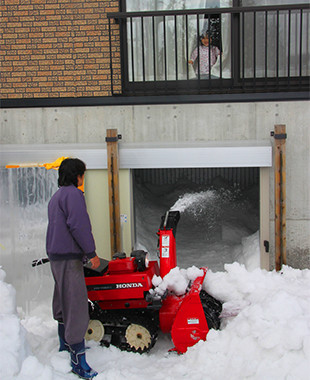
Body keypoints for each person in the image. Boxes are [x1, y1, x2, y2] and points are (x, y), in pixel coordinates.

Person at [46, 158, 100, 379]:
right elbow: (79, 225)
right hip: (69, 258)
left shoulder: (56, 196)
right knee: (76, 305)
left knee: (62, 301)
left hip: (56, 257)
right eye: (83, 174)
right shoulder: (74, 195)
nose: (83, 179)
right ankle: (78, 362)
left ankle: (64, 344)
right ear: (77, 175)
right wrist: (91, 253)